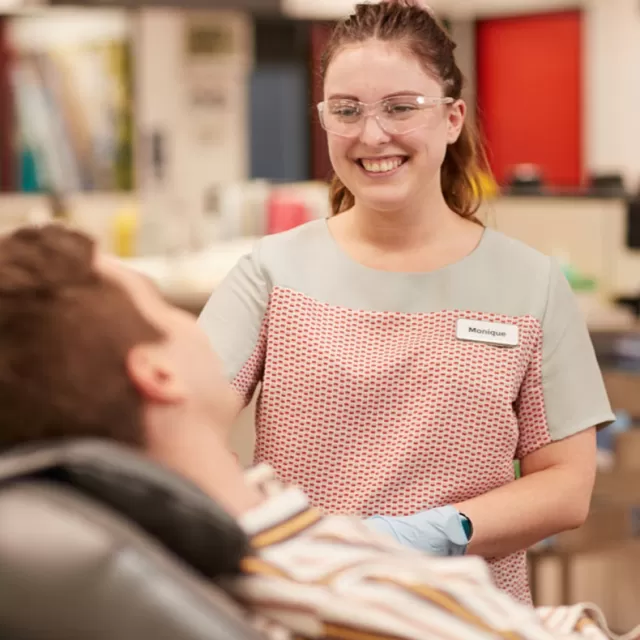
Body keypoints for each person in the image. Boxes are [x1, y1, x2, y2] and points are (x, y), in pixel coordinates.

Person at [0, 223, 634, 640]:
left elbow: (563, 489)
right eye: (165, 308)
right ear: (158, 374)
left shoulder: (177, 553)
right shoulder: (335, 595)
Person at [197, 0, 614, 604]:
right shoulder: (272, 272)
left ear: (452, 118)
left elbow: (566, 486)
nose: (372, 134)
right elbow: (182, 425)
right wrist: (271, 533)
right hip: (308, 604)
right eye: (347, 111)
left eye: (401, 107)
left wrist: (436, 533)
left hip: (466, 612)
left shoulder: (531, 284)